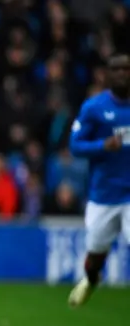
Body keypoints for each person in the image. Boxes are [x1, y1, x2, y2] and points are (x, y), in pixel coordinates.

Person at [68, 52, 130, 307]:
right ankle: (91, 280)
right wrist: (102, 146)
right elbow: (75, 146)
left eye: (127, 69)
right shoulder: (94, 108)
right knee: (95, 255)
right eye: (117, 69)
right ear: (107, 75)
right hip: (103, 194)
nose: (123, 74)